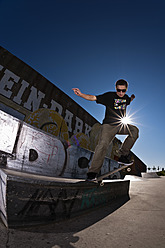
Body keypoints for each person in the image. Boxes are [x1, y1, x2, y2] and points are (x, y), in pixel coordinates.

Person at [72, 79, 139, 181]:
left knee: (134, 131)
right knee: (102, 145)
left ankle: (123, 155)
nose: (121, 93)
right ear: (115, 88)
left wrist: (132, 98)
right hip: (108, 126)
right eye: (118, 90)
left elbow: (129, 100)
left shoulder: (126, 98)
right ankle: (92, 172)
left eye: (123, 90)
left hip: (120, 124)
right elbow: (94, 97)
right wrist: (81, 94)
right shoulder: (109, 96)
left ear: (126, 89)